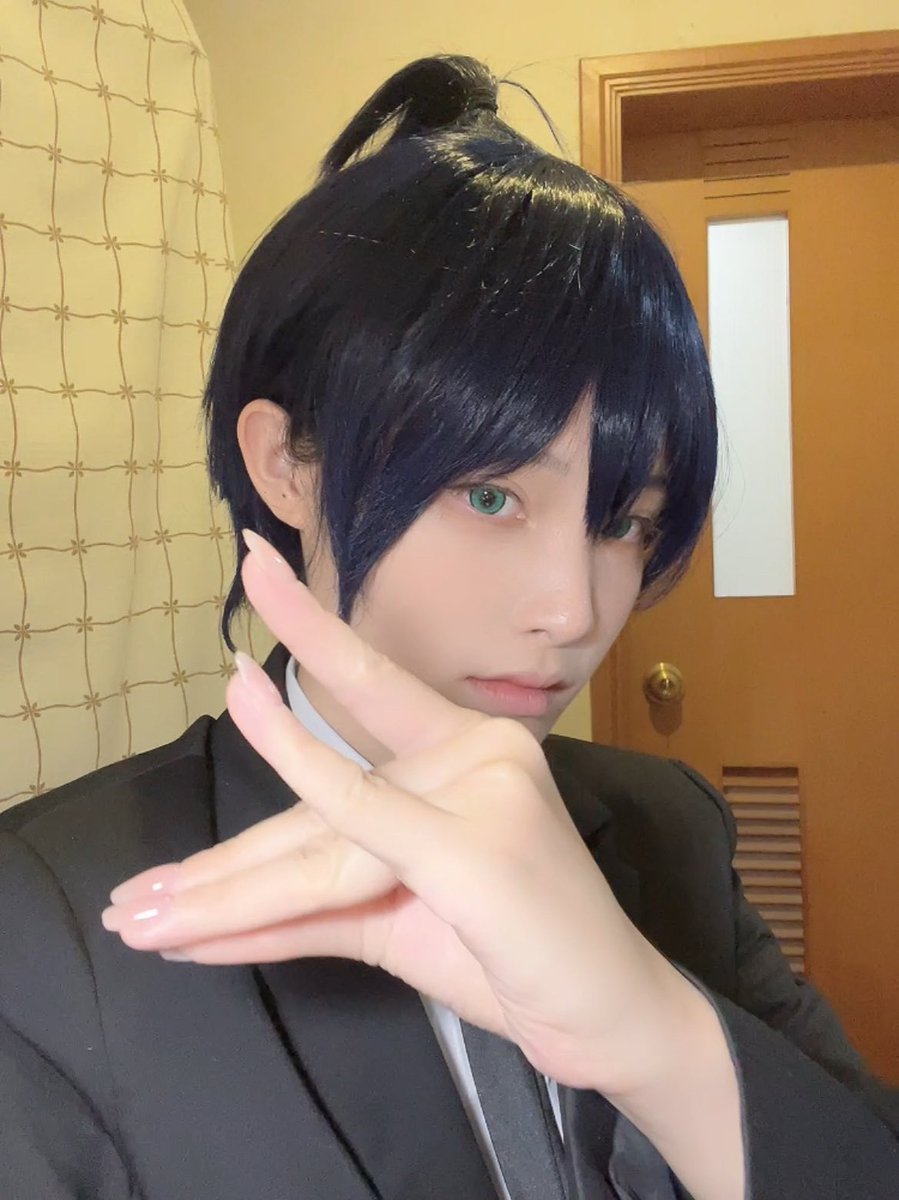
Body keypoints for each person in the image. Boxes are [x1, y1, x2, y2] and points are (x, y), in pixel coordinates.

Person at [1, 54, 897, 1200]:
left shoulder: (668, 829)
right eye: (487, 496)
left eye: (623, 521)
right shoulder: (45, 919)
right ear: (285, 466)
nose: (574, 611)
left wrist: (656, 1038)